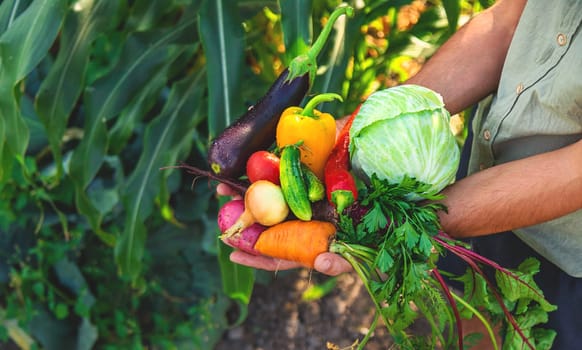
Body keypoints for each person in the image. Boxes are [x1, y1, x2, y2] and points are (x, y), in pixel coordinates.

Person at [217, 0, 582, 347]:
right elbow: (508, 22)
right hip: (477, 172)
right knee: (473, 310)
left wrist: (411, 222)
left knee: (540, 331)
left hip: (566, 247)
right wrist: (360, 132)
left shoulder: (432, 208)